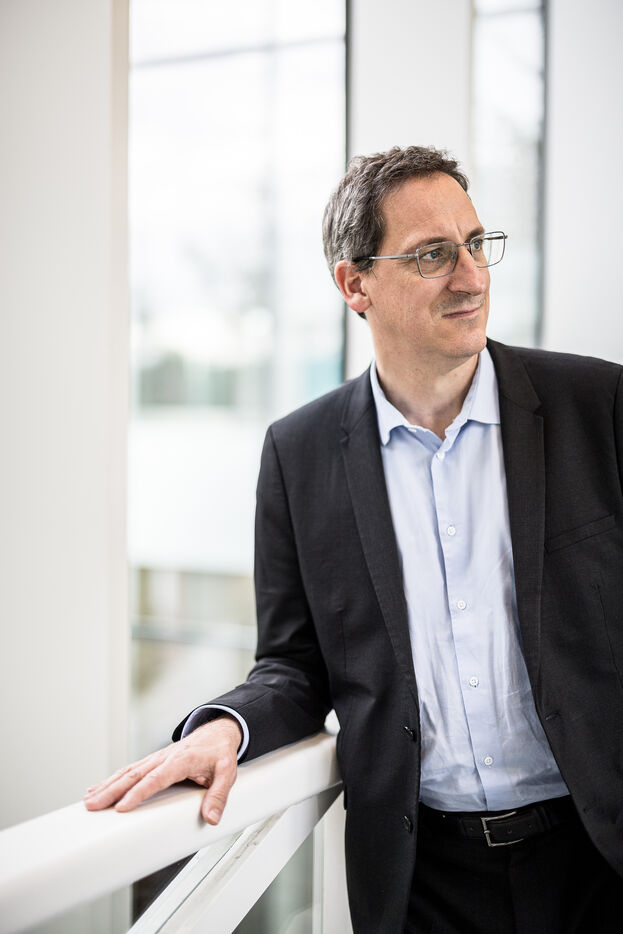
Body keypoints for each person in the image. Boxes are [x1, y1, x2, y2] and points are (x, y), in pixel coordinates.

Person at [85, 146, 623, 933]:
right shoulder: (297, 454)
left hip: (599, 854)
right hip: (425, 884)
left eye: (476, 244)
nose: (470, 277)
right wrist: (225, 727)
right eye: (432, 254)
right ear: (354, 284)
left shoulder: (598, 405)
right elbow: (292, 663)